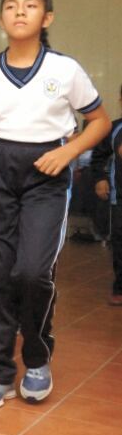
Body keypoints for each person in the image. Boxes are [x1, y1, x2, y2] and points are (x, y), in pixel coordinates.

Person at [0, 0, 109, 408]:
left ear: (47, 18)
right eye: (11, 6)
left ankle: (38, 358)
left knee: (31, 271)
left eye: (30, 6)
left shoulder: (65, 69)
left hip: (48, 173)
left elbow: (99, 121)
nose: (20, 12)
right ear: (1, 19)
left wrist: (67, 152)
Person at [92, 83, 122, 306]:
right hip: (119, 198)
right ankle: (120, 287)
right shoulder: (114, 128)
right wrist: (100, 179)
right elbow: (98, 157)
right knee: (120, 243)